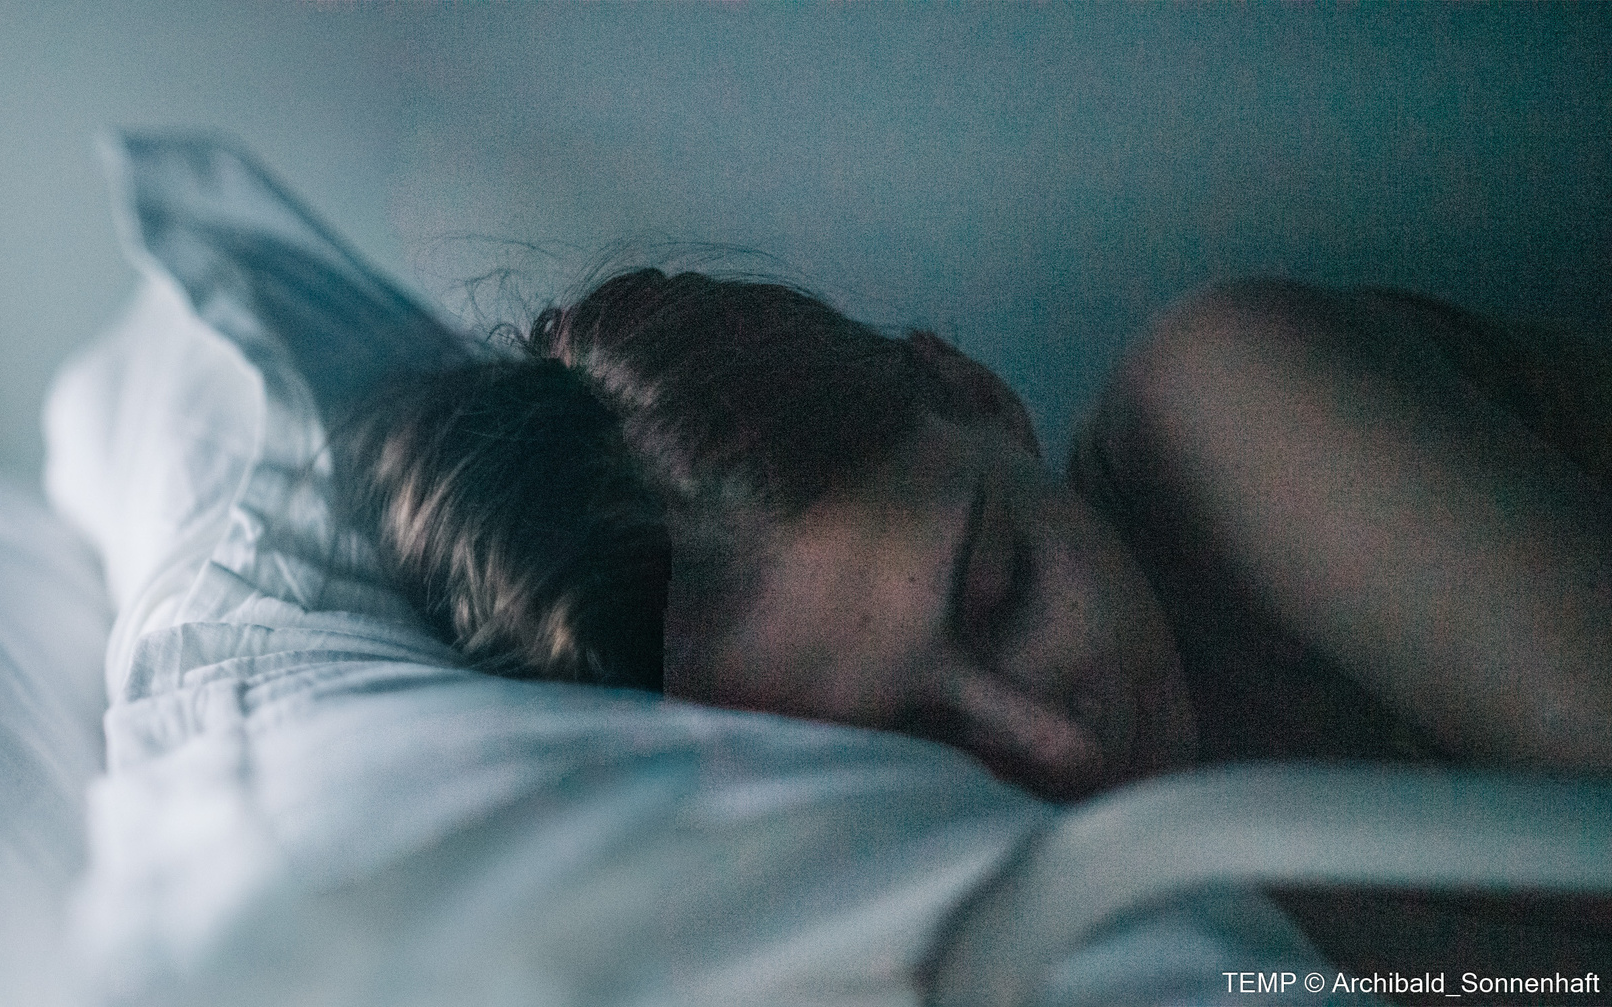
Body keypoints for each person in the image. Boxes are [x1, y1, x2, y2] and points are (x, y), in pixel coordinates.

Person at [339, 268, 1612, 802]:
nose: (1054, 746)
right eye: (915, 749)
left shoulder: (1219, 403)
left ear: (973, 391)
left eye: (1000, 592)